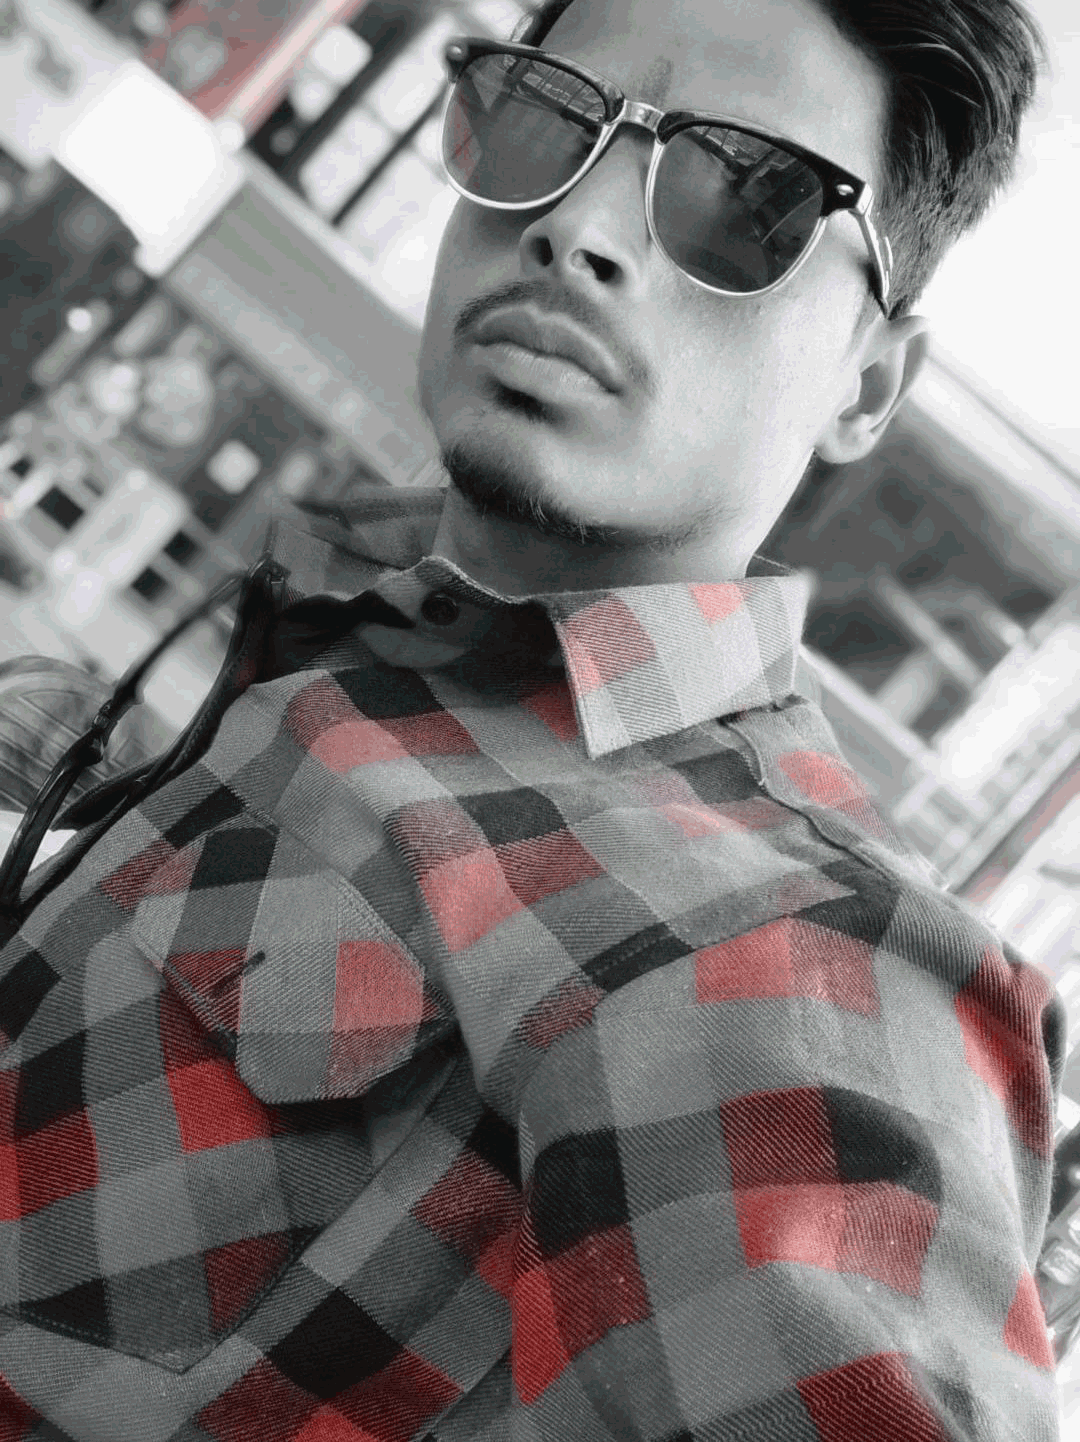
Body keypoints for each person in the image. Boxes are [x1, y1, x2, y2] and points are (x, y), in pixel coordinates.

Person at [0, 0, 1066, 1436]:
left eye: (749, 201)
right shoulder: (351, 635)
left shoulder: (796, 955)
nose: (581, 229)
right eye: (549, 121)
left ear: (869, 384)